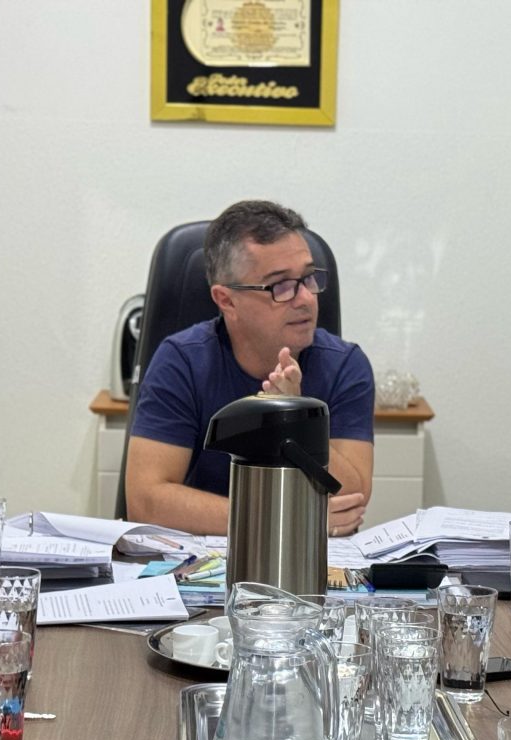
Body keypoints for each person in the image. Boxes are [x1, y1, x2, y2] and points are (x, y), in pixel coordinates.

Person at [125, 200, 375, 536]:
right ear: (226, 300)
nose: (306, 298)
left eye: (308, 278)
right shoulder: (181, 361)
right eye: (280, 285)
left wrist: (299, 421)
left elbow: (351, 500)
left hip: (307, 557)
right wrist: (281, 518)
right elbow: (146, 502)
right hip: (203, 555)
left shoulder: (345, 365)